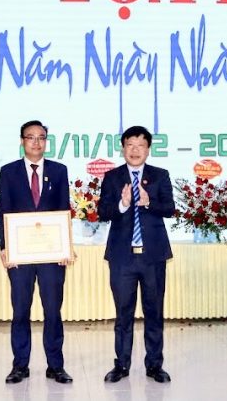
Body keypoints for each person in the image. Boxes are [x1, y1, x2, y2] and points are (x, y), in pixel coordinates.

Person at [0, 120, 74, 385]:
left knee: (53, 311)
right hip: (20, 256)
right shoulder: (8, 172)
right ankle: (20, 366)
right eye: (31, 137)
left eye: (41, 137)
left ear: (46, 142)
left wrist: (65, 247)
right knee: (21, 310)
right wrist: (5, 247)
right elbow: (4, 211)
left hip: (52, 256)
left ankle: (56, 366)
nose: (36, 142)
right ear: (22, 141)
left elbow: (63, 211)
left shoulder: (59, 171)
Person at [97, 125, 175, 383]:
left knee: (154, 312)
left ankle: (154, 365)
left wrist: (148, 202)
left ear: (148, 149)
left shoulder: (160, 175)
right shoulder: (112, 177)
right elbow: (103, 212)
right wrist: (123, 204)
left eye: (141, 145)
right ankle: (121, 365)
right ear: (123, 148)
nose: (135, 150)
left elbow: (170, 209)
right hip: (122, 257)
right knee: (123, 314)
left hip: (153, 257)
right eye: (130, 145)